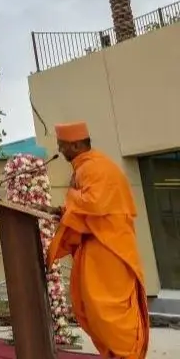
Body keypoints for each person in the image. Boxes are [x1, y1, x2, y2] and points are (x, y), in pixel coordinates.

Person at [49, 122, 149, 359]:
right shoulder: (86, 166)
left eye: (62, 146)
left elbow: (93, 204)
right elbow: (90, 206)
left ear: (75, 144)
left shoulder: (93, 168)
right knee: (93, 308)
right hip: (100, 246)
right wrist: (65, 209)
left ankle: (126, 355)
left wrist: (71, 198)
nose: (60, 150)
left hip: (110, 249)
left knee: (107, 310)